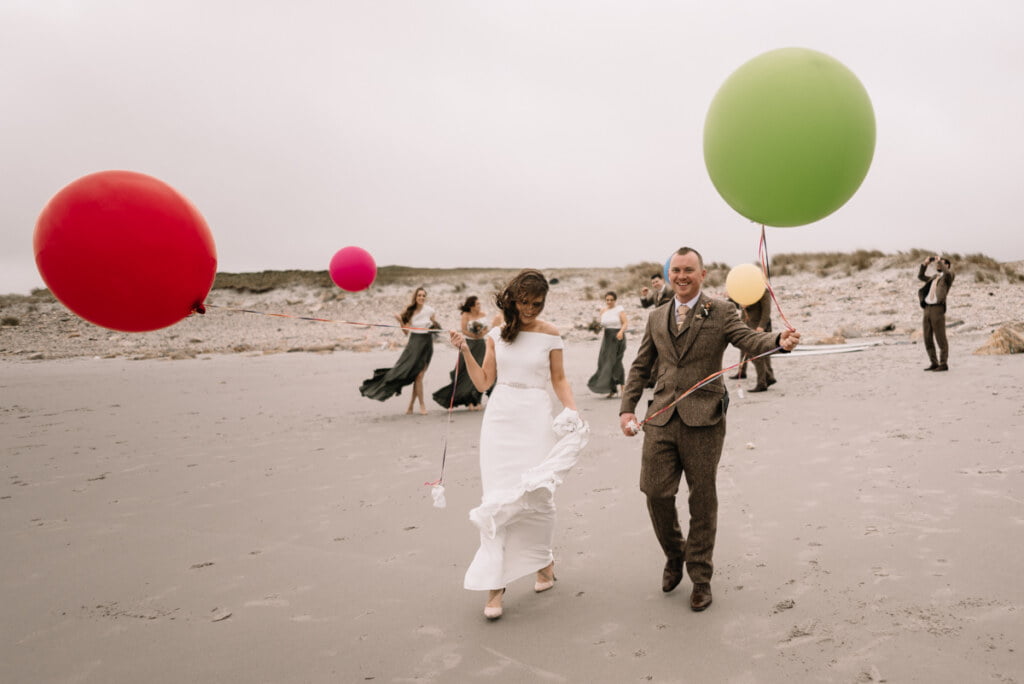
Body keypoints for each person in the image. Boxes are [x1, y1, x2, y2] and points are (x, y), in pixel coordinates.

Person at [618, 247, 800, 612]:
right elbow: (640, 367)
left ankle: (700, 577)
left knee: (702, 498)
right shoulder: (656, 316)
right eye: (676, 271)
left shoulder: (721, 311)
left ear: (703, 275)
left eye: (689, 270)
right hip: (661, 417)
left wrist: (778, 341)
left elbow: (749, 339)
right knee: (654, 491)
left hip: (705, 419)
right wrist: (627, 409)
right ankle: (674, 553)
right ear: (670, 275)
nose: (681, 276)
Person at [449, 269, 584, 621]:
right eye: (524, 303)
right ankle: (496, 587)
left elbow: (559, 379)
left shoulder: (551, 334)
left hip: (535, 416)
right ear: (513, 299)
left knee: (538, 495)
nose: (530, 309)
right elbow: (483, 383)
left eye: (537, 304)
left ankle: (544, 563)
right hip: (500, 418)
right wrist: (465, 349)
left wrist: (571, 410)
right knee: (497, 497)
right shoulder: (497, 333)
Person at [359, 287, 439, 414]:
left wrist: (434, 326)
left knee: (419, 376)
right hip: (414, 344)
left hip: (427, 345)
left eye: (424, 295)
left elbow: (435, 326)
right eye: (419, 295)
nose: (422, 297)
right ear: (415, 297)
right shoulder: (409, 311)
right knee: (413, 375)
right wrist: (400, 321)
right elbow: (406, 332)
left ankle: (412, 406)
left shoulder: (430, 310)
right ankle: (420, 405)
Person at [432, 296, 489, 410]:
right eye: (477, 304)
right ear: (472, 306)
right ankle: (468, 402)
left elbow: (486, 328)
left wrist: (481, 334)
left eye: (479, 304)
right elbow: (463, 330)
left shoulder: (483, 314)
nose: (479, 306)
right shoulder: (466, 315)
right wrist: (474, 335)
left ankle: (477, 400)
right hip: (469, 345)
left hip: (481, 345)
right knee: (465, 371)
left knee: (480, 370)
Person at [730, 290, 777, 392]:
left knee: (757, 353)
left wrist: (761, 326)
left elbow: (766, 310)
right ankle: (765, 376)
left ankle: (764, 381)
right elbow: (739, 307)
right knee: (747, 350)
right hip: (746, 324)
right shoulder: (746, 289)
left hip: (758, 326)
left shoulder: (763, 291)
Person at [587, 291, 629, 398]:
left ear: (615, 300)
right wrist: (595, 327)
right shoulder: (603, 311)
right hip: (607, 339)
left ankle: (623, 388)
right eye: (607, 300)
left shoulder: (619, 309)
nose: (609, 302)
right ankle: (612, 389)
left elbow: (625, 323)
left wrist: (621, 332)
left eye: (611, 300)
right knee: (604, 363)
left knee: (616, 362)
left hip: (617, 337)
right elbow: (601, 325)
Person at [918, 255, 955, 371]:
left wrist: (940, 261)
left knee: (940, 337)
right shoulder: (934, 277)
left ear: (947, 266)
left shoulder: (948, 277)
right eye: (938, 263)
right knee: (927, 337)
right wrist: (926, 263)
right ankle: (934, 362)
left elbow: (947, 273)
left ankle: (943, 363)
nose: (939, 264)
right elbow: (920, 276)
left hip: (938, 308)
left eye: (943, 263)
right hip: (927, 308)